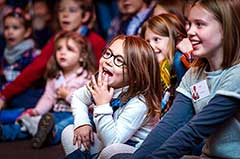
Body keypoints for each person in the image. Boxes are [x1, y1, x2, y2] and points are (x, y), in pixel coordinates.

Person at [111, 0, 240, 158]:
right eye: (189, 23)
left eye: (199, 24)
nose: (190, 31)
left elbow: (194, 131)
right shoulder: (195, 73)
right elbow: (170, 125)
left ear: (225, 28)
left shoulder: (237, 74)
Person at [97, 13, 188, 159]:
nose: (151, 46)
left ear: (173, 41)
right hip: (133, 129)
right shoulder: (146, 72)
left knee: (110, 149)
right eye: (147, 41)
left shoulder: (176, 66)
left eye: (157, 39)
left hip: (159, 137)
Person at [61, 35, 162, 159]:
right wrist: (82, 122)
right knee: (69, 132)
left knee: (111, 151)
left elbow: (113, 142)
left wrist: (102, 105)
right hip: (106, 140)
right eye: (108, 53)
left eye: (119, 60)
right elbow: (78, 97)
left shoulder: (140, 102)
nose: (108, 61)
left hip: (132, 151)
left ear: (135, 75)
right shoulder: (100, 82)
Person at [0, 0, 106, 116]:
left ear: (85, 16)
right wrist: (5, 95)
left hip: (84, 101)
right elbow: (35, 68)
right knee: (19, 99)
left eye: (72, 10)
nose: (65, 15)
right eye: (61, 10)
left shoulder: (96, 41)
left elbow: (103, 76)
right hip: (55, 97)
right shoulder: (57, 39)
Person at [0, 31, 96, 149]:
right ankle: (5, 132)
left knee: (68, 125)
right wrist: (36, 111)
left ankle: (51, 134)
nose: (62, 52)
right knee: (32, 122)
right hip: (55, 114)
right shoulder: (55, 76)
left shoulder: (87, 77)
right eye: (59, 49)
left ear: (82, 57)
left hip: (78, 116)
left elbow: (90, 103)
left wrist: (67, 95)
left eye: (69, 49)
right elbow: (48, 97)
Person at [0, 8, 42, 123]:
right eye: (7, 28)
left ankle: (25, 115)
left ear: (27, 32)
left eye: (15, 28)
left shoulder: (33, 54)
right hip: (8, 96)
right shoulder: (5, 53)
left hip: (25, 97)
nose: (10, 32)